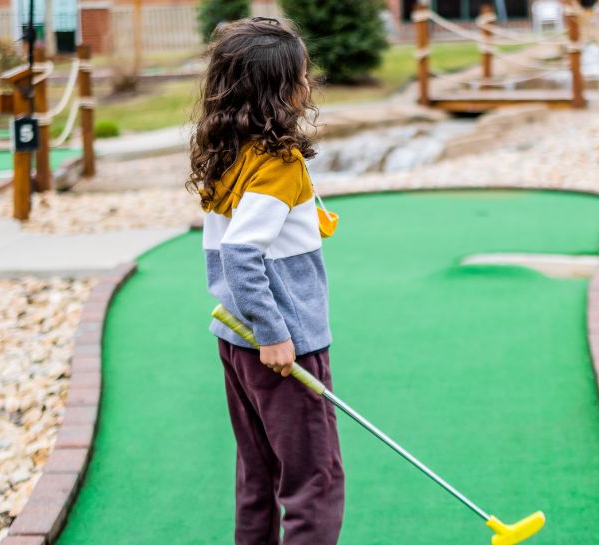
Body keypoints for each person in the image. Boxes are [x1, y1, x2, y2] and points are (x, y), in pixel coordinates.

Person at [186, 17, 345, 545]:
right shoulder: (279, 163)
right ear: (282, 89)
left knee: (258, 475)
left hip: (236, 339)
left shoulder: (228, 151)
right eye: (301, 74)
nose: (308, 83)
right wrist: (278, 335)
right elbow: (241, 253)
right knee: (313, 481)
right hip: (282, 344)